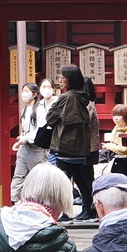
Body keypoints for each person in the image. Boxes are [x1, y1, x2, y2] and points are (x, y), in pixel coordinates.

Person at [49, 66, 98, 223]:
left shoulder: (67, 98)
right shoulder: (83, 99)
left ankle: (65, 212)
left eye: (63, 77)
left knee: (63, 181)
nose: (61, 80)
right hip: (81, 148)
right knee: (83, 181)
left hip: (65, 147)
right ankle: (88, 210)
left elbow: (51, 117)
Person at [11, 81, 47, 202]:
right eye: (23, 91)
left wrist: (26, 138)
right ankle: (13, 199)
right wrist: (22, 138)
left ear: (35, 94)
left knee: (37, 177)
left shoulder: (40, 110)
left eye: (27, 91)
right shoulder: (25, 110)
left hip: (36, 148)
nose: (24, 94)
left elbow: (40, 130)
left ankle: (40, 201)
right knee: (18, 175)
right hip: (25, 147)